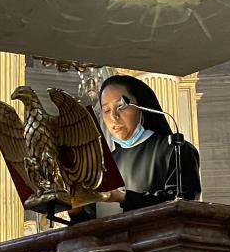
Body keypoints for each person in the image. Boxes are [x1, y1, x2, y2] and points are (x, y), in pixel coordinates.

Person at [79, 75, 199, 218]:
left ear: (142, 106)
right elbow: (92, 220)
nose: (114, 116)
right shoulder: (106, 163)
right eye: (106, 110)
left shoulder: (175, 149)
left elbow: (184, 204)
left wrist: (124, 198)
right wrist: (76, 210)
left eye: (121, 105)